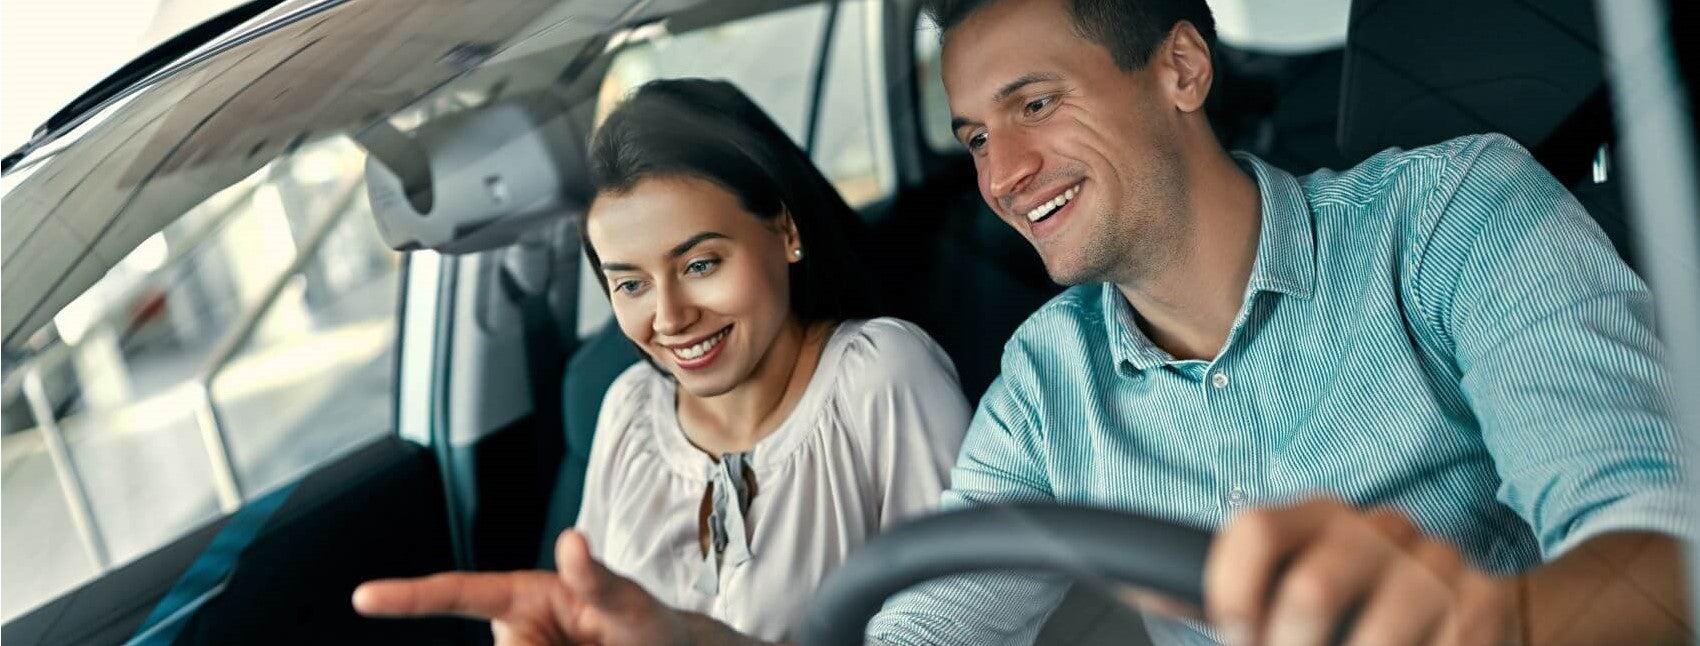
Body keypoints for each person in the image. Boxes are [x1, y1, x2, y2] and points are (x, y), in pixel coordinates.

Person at [358, 0, 1694, 643]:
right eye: (973, 135)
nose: (1000, 175)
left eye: (1037, 104)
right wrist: (680, 639)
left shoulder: (1449, 221)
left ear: (1179, 66)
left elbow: (1666, 550)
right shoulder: (1049, 386)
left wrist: (1490, 624)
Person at [354, 78, 970, 643]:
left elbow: (971, 625)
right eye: (630, 285)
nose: (670, 318)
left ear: (785, 231)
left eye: (700, 265)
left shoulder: (881, 375)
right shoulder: (627, 409)